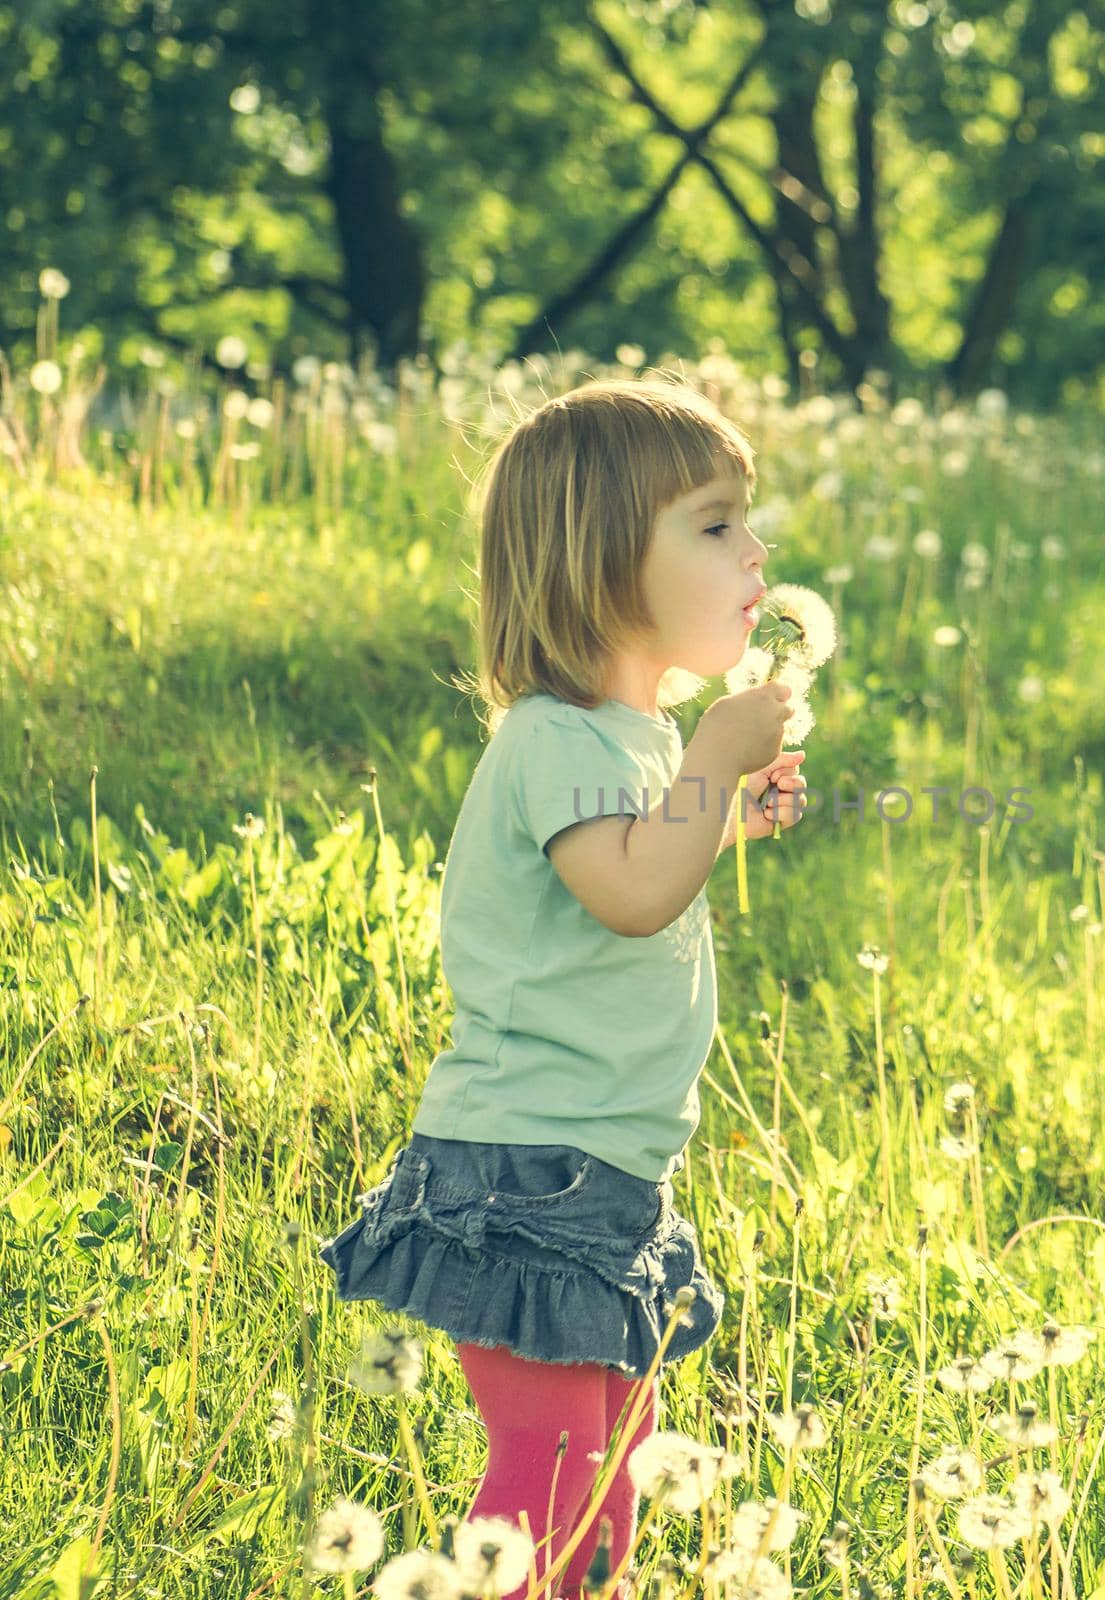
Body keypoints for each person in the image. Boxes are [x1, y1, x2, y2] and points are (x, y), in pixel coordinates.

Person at [317, 375, 808, 1599]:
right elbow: (634, 893)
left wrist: (726, 814)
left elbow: (635, 864)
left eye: (748, 520)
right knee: (548, 1474)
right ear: (599, 561)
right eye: (715, 522)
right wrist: (714, 759)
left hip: (608, 1169)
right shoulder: (550, 737)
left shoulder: (631, 744)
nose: (755, 551)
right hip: (524, 1165)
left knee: (607, 1483)